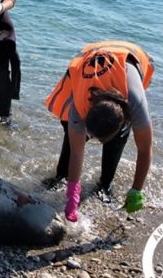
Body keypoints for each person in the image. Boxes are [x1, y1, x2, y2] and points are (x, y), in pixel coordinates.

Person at [44, 40, 154, 221]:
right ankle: (60, 176)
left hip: (127, 57)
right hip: (90, 57)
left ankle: (104, 185)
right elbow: (77, 153)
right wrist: (72, 195)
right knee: (71, 137)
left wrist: (136, 190)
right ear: (87, 114)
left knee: (116, 140)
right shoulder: (79, 106)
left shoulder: (136, 103)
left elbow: (144, 150)